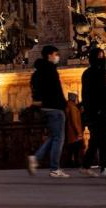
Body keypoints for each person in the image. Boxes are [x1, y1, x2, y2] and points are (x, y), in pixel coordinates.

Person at [27, 45, 69, 178]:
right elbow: (57, 90)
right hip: (56, 107)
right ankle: (54, 168)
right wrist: (64, 105)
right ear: (49, 55)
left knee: (53, 136)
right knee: (58, 138)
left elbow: (34, 89)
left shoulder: (37, 72)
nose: (57, 57)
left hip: (45, 107)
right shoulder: (51, 70)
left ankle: (36, 158)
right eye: (56, 54)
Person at [79, 47, 106, 177]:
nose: (102, 58)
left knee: (98, 139)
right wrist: (93, 109)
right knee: (101, 139)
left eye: (102, 55)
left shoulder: (100, 72)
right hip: (95, 111)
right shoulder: (91, 73)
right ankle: (102, 166)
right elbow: (89, 94)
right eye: (100, 56)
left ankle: (89, 164)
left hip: (100, 110)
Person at [64, 93, 84, 168]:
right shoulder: (73, 107)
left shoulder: (69, 106)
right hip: (74, 131)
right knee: (75, 148)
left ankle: (69, 162)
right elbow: (74, 120)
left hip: (70, 131)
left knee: (71, 148)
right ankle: (75, 162)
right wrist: (78, 132)